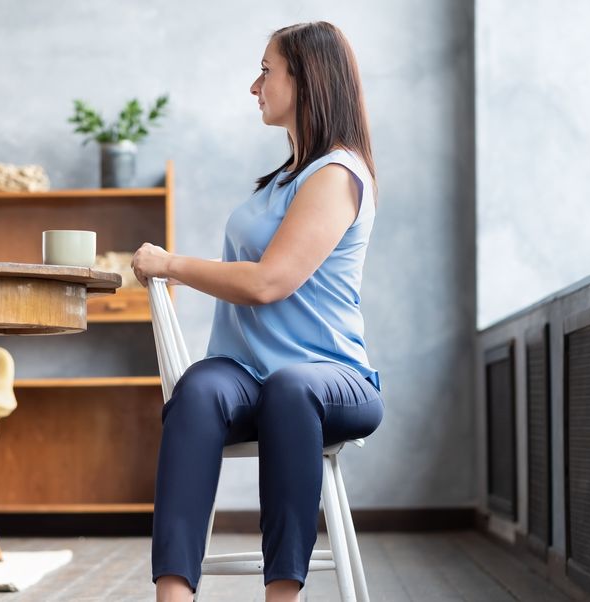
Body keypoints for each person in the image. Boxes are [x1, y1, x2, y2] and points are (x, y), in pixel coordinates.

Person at [131, 21, 384, 602]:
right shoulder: (281, 180)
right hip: (246, 374)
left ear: (306, 77)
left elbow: (270, 283)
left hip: (333, 380)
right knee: (195, 389)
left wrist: (172, 265)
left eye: (266, 70)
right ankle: (172, 595)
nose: (255, 86)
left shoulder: (337, 173)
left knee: (291, 388)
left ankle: (281, 596)